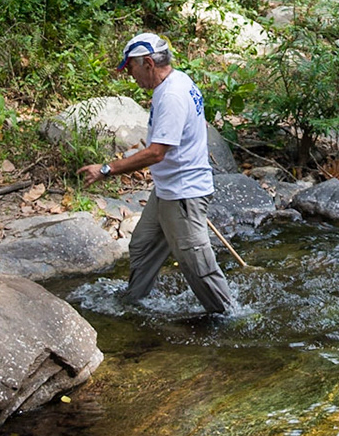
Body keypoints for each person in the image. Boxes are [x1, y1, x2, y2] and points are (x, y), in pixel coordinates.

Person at [77, 32, 235, 315]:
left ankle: (230, 318)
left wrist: (107, 169)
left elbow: (156, 152)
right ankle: (134, 304)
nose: (132, 77)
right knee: (142, 245)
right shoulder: (176, 82)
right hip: (168, 190)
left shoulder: (172, 95)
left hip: (184, 194)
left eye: (132, 69)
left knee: (197, 266)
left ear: (148, 63)